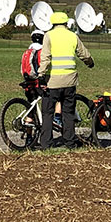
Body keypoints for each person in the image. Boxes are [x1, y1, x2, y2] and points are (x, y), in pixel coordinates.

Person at [37, 11, 94, 149]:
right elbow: (84, 54)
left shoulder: (48, 36)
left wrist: (41, 75)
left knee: (48, 113)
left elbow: (45, 58)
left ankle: (46, 143)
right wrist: (90, 63)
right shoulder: (72, 35)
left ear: (53, 23)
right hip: (70, 82)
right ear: (66, 23)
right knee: (68, 113)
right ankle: (70, 142)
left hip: (53, 82)